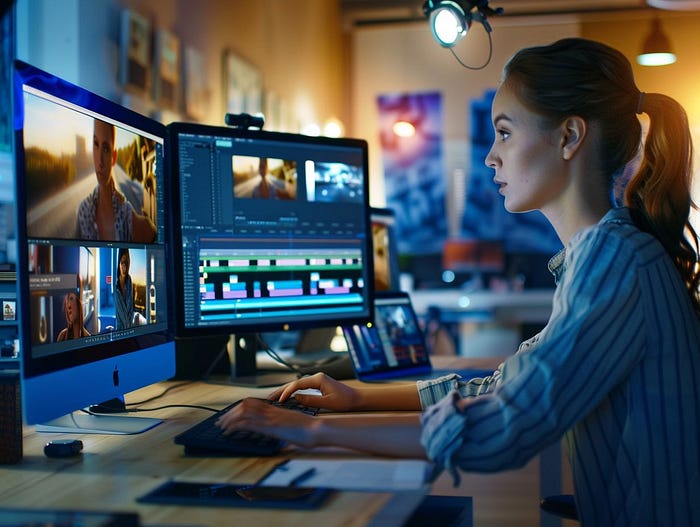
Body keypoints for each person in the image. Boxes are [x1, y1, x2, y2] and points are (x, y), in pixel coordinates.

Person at [216, 38, 700, 525]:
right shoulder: (607, 253)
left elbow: (504, 427)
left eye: (505, 133)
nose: (491, 156)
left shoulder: (612, 258)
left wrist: (311, 432)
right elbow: (504, 385)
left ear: (570, 136)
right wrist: (356, 398)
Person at [76, 119, 157, 242]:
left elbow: (151, 232)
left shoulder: (127, 216)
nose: (100, 162)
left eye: (106, 149)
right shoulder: (83, 211)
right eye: (96, 144)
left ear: (113, 158)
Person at [115, 248, 134, 330]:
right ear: (118, 263)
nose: (124, 266)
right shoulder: (115, 284)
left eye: (126, 263)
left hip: (129, 328)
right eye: (122, 263)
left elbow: (131, 309)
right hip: (120, 330)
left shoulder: (129, 281)